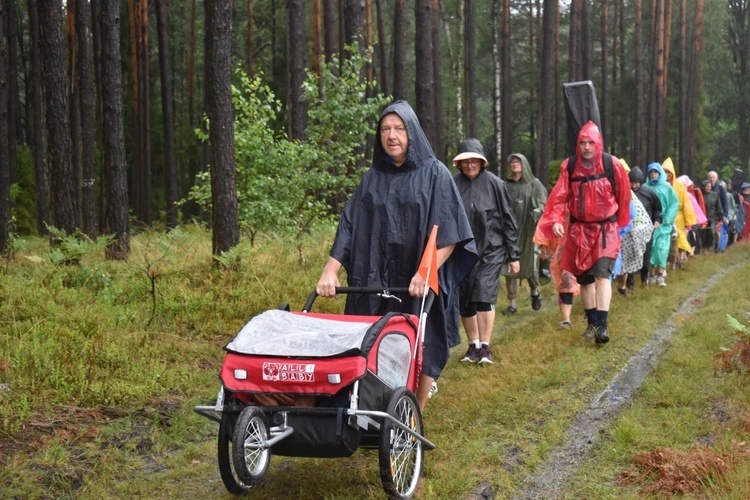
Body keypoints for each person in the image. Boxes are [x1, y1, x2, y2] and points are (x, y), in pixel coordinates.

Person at [316, 101, 477, 410]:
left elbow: (451, 234)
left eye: (399, 129)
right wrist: (330, 269)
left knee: (423, 342)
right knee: (371, 338)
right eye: (385, 129)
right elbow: (348, 227)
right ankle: (372, 407)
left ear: (412, 132)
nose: (392, 136)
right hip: (374, 276)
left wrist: (425, 272)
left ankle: (414, 413)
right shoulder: (371, 180)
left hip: (419, 277)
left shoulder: (435, 175)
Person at [538, 121, 631, 344]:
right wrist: (557, 219)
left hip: (604, 230)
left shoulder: (611, 164)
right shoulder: (570, 167)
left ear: (598, 144)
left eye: (591, 142)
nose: (587, 147)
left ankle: (603, 326)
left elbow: (624, 195)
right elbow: (558, 197)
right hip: (579, 231)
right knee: (586, 279)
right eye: (583, 143)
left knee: (602, 275)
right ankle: (592, 323)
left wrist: (618, 222)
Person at [451, 138, 520, 365]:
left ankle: (486, 348)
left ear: (482, 163)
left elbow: (508, 219)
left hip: (491, 249)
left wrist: (514, 254)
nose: (470, 165)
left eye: (474, 161)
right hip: (462, 251)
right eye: (465, 161)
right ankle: (473, 345)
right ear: (459, 164)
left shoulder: (495, 184)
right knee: (466, 300)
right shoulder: (453, 184)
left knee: (483, 294)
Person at [502, 153, 548, 315]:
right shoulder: (506, 186)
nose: (514, 164)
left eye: (518, 161)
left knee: (529, 264)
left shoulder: (534, 184)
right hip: (511, 232)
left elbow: (543, 203)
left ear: (524, 164)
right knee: (510, 266)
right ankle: (512, 303)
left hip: (529, 232)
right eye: (512, 161)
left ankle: (534, 291)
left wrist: (536, 212)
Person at [533, 207, 580, 328]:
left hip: (582, 243)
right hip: (563, 247)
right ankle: (566, 319)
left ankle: (591, 313)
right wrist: (544, 246)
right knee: (565, 280)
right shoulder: (559, 199)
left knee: (588, 281)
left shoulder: (585, 194)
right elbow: (547, 219)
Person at [626, 166, 662, 288]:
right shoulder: (626, 193)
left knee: (646, 256)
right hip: (630, 231)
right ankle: (630, 284)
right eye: (632, 183)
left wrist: (657, 220)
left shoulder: (649, 193)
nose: (634, 186)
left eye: (636, 183)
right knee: (631, 256)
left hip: (646, 231)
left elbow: (657, 210)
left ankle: (644, 281)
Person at [646, 162, 679, 286]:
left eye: (655, 172)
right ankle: (651, 275)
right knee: (651, 249)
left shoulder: (667, 187)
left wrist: (667, 218)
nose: (653, 174)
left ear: (660, 173)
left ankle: (660, 275)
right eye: (651, 172)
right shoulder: (645, 187)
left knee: (662, 248)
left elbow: (674, 204)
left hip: (664, 225)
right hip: (650, 225)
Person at [662, 158, 696, 270]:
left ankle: (677, 262)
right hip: (663, 217)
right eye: (664, 172)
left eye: (668, 172)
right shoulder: (660, 185)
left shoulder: (680, 186)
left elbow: (686, 203)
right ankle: (668, 263)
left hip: (678, 217)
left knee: (679, 240)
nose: (667, 174)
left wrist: (688, 221)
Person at [701, 179, 722, 254]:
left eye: (709, 186)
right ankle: (704, 249)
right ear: (703, 187)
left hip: (712, 217)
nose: (708, 188)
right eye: (707, 186)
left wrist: (721, 218)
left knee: (711, 233)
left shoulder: (714, 194)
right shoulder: (700, 195)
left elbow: (719, 207)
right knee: (704, 234)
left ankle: (710, 248)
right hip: (703, 218)